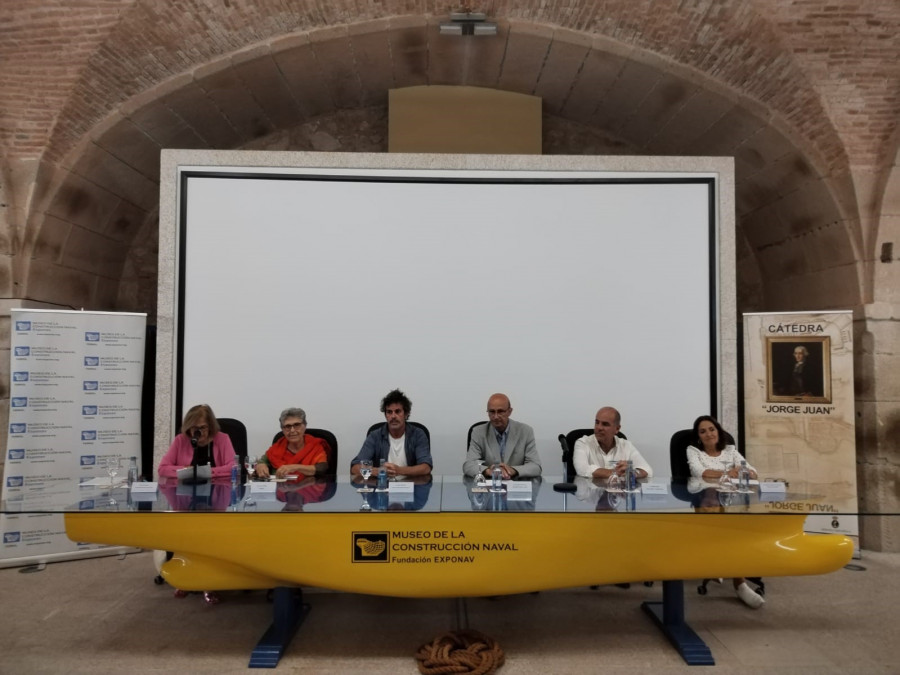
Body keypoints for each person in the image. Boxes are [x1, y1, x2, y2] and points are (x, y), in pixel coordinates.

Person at [687, 414, 764, 609]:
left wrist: (743, 472)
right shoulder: (694, 451)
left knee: (737, 529)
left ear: (718, 431)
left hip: (732, 504)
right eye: (703, 431)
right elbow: (700, 473)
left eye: (711, 429)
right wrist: (728, 473)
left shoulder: (731, 451)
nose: (708, 434)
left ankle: (730, 573)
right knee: (727, 530)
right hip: (705, 502)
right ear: (698, 436)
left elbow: (753, 472)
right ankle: (739, 583)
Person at [350, 389, 432, 478]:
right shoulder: (375, 436)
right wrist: (376, 471)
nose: (393, 416)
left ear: (406, 414)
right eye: (389, 412)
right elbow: (355, 468)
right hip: (383, 487)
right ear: (385, 415)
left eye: (397, 411)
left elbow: (426, 468)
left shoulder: (418, 434)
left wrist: (399, 470)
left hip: (410, 487)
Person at [463, 393, 542, 479]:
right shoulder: (478, 432)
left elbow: (535, 466)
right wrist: (488, 471)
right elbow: (469, 465)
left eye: (500, 411)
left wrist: (513, 470)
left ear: (509, 411)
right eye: (492, 412)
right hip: (489, 487)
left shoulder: (525, 431)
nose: (496, 416)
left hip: (516, 487)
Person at [157, 403, 237, 480]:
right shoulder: (180, 440)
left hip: (217, 490)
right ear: (188, 427)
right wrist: (186, 469)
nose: (199, 432)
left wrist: (207, 472)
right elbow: (162, 469)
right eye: (194, 428)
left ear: (210, 426)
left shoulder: (222, 439)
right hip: (186, 491)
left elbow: (233, 467)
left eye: (203, 427)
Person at [572, 406, 652, 480]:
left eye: (605, 424)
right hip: (591, 494)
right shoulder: (583, 443)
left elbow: (647, 470)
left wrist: (632, 473)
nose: (599, 427)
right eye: (597, 422)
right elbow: (582, 469)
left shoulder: (626, 445)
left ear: (617, 429)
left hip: (618, 494)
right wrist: (615, 472)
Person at [255, 408, 329, 479]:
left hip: (309, 488)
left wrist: (295, 467)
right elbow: (263, 461)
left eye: (297, 425)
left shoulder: (314, 445)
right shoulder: (278, 446)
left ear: (305, 426)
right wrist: (260, 465)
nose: (292, 430)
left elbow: (322, 468)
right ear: (282, 429)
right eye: (287, 426)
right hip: (283, 489)